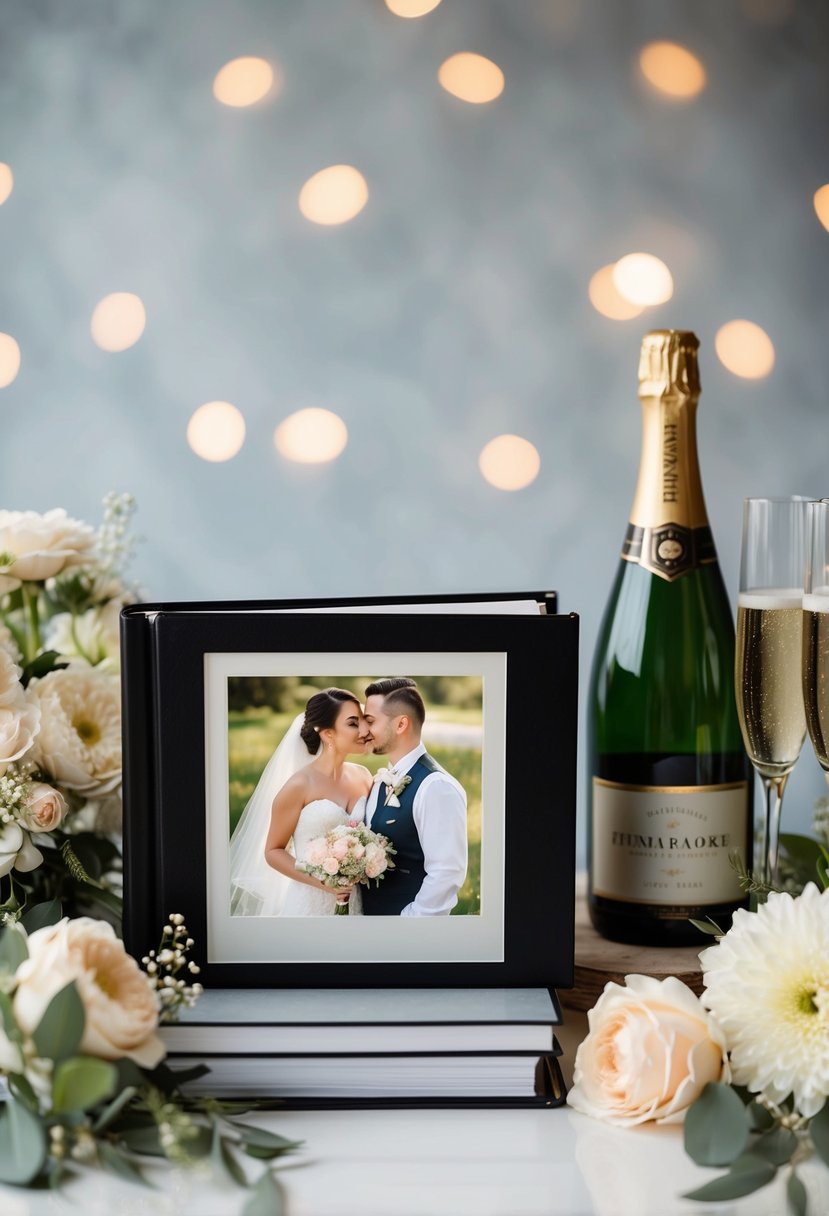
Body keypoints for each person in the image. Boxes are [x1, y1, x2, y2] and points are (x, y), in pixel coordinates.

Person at [229, 688, 372, 916]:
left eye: (364, 721)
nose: (365, 730)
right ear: (328, 734)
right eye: (353, 723)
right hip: (310, 904)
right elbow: (273, 851)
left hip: (357, 903)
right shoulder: (299, 785)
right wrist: (321, 880)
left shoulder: (364, 776)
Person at [361, 678, 467, 916]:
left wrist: (409, 923)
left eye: (370, 721)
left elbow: (446, 871)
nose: (364, 730)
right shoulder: (380, 780)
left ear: (400, 725)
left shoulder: (436, 787)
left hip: (405, 935)